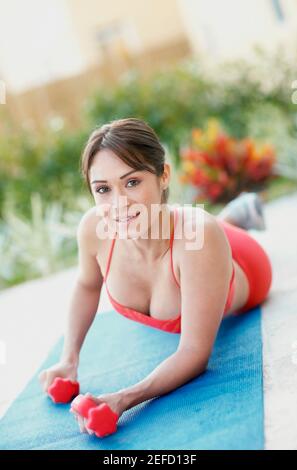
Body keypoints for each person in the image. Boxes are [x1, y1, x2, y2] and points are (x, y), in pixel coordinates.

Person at [39, 118, 272, 435]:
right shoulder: (95, 229)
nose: (118, 203)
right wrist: (69, 359)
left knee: (206, 230)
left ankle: (236, 215)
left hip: (241, 261)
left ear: (163, 175)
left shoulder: (198, 238)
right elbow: (86, 284)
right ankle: (233, 213)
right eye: (103, 189)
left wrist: (123, 399)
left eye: (132, 182)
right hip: (190, 240)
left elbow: (194, 353)